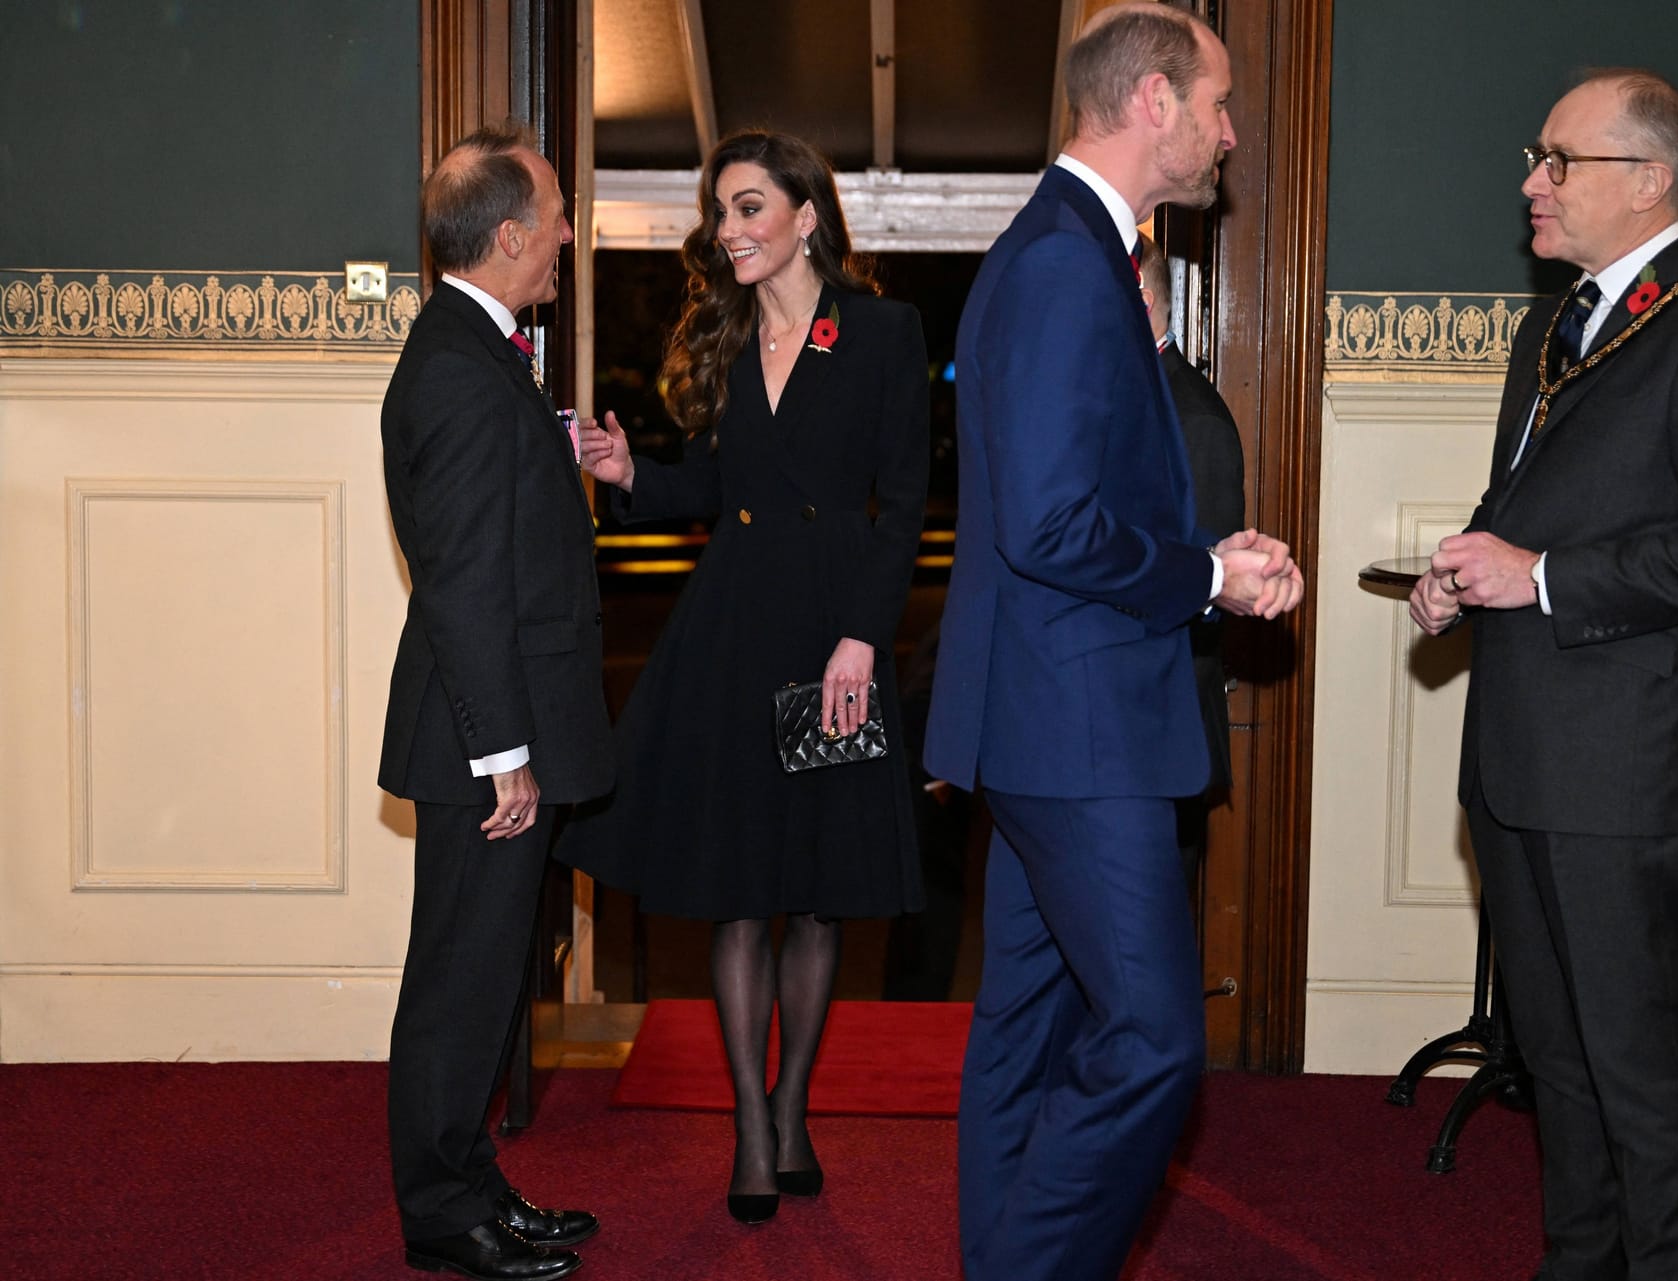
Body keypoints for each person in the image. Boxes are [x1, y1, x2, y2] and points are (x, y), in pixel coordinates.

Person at [922, 8, 1306, 1279]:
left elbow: (1081, 498)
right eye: (1217, 104)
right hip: (1077, 729)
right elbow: (1048, 526)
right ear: (1151, 100)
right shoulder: (1061, 264)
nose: (1228, 133)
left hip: (1049, 715)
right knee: (1152, 1042)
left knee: (1028, 1034)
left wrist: (1214, 563)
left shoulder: (1077, 248)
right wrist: (1204, 576)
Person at [1410, 69, 1678, 1279]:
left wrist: (1540, 577)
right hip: (1521, 754)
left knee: (1632, 1058)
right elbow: (1523, 504)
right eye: (1539, 156)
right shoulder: (1555, 319)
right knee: (1558, 1054)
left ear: (1647, 181)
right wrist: (1465, 571)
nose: (1532, 181)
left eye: (1558, 161)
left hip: (1627, 767)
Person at [560, 130, 929, 1226]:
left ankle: (795, 1103)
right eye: (721, 212)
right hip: (732, 634)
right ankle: (751, 1131)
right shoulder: (725, 341)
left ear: (807, 215)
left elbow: (903, 503)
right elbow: (722, 486)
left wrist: (863, 639)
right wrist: (635, 475)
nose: (730, 231)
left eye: (751, 208)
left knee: (816, 897)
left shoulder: (879, 333)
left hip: (832, 642)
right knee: (737, 893)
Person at [378, 126, 612, 1281]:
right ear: (510, 235)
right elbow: (466, 585)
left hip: (493, 726)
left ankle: (471, 1183)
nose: (570, 232)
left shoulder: (478, 352)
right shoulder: (464, 372)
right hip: (484, 739)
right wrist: (506, 754)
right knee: (461, 980)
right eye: (559, 214)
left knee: (482, 973)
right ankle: (439, 1213)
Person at [1137, 233, 1246, 894]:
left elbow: (1207, 594)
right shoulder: (1114, 398)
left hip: (1162, 733)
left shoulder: (1193, 418)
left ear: (1142, 298)